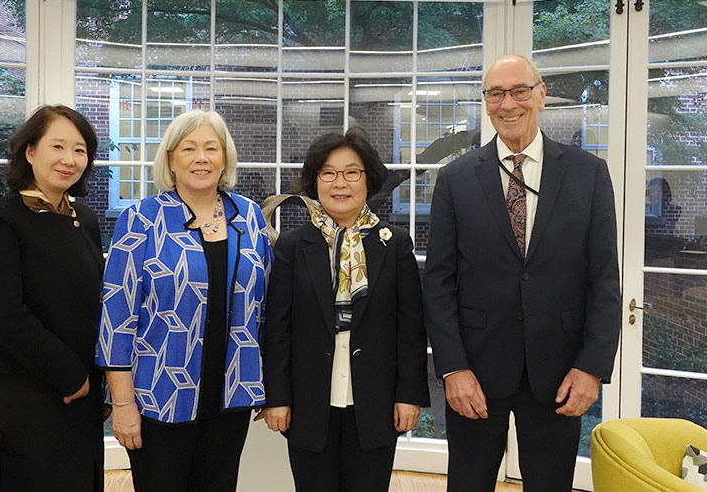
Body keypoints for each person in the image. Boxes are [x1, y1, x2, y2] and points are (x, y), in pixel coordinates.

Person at [423, 54, 621, 491]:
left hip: (560, 374)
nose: (507, 103)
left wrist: (592, 367)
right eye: (495, 94)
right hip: (474, 373)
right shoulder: (455, 179)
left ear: (541, 95)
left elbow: (605, 280)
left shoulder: (588, 174)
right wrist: (452, 368)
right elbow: (437, 282)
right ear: (486, 102)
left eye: (519, 91)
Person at [96, 110, 272, 492]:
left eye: (212, 148)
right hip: (159, 395)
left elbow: (268, 306)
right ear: (171, 159)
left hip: (231, 394)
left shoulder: (251, 217)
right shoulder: (141, 219)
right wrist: (123, 405)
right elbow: (116, 316)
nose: (201, 158)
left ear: (225, 158)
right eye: (189, 148)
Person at [262, 127, 430, 491]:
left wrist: (409, 394)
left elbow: (411, 327)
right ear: (315, 181)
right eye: (328, 173)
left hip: (377, 403)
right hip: (307, 405)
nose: (340, 183)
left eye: (352, 172)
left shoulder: (394, 244)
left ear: (368, 180)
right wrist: (276, 397)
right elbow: (276, 327)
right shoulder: (293, 246)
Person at [0, 105, 105, 491]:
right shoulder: (0, 219)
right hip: (30, 393)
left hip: (82, 391)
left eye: (80, 150)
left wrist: (98, 380)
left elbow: (92, 303)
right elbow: (7, 313)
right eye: (57, 146)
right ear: (30, 151)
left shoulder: (85, 219)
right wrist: (71, 375)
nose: (69, 159)